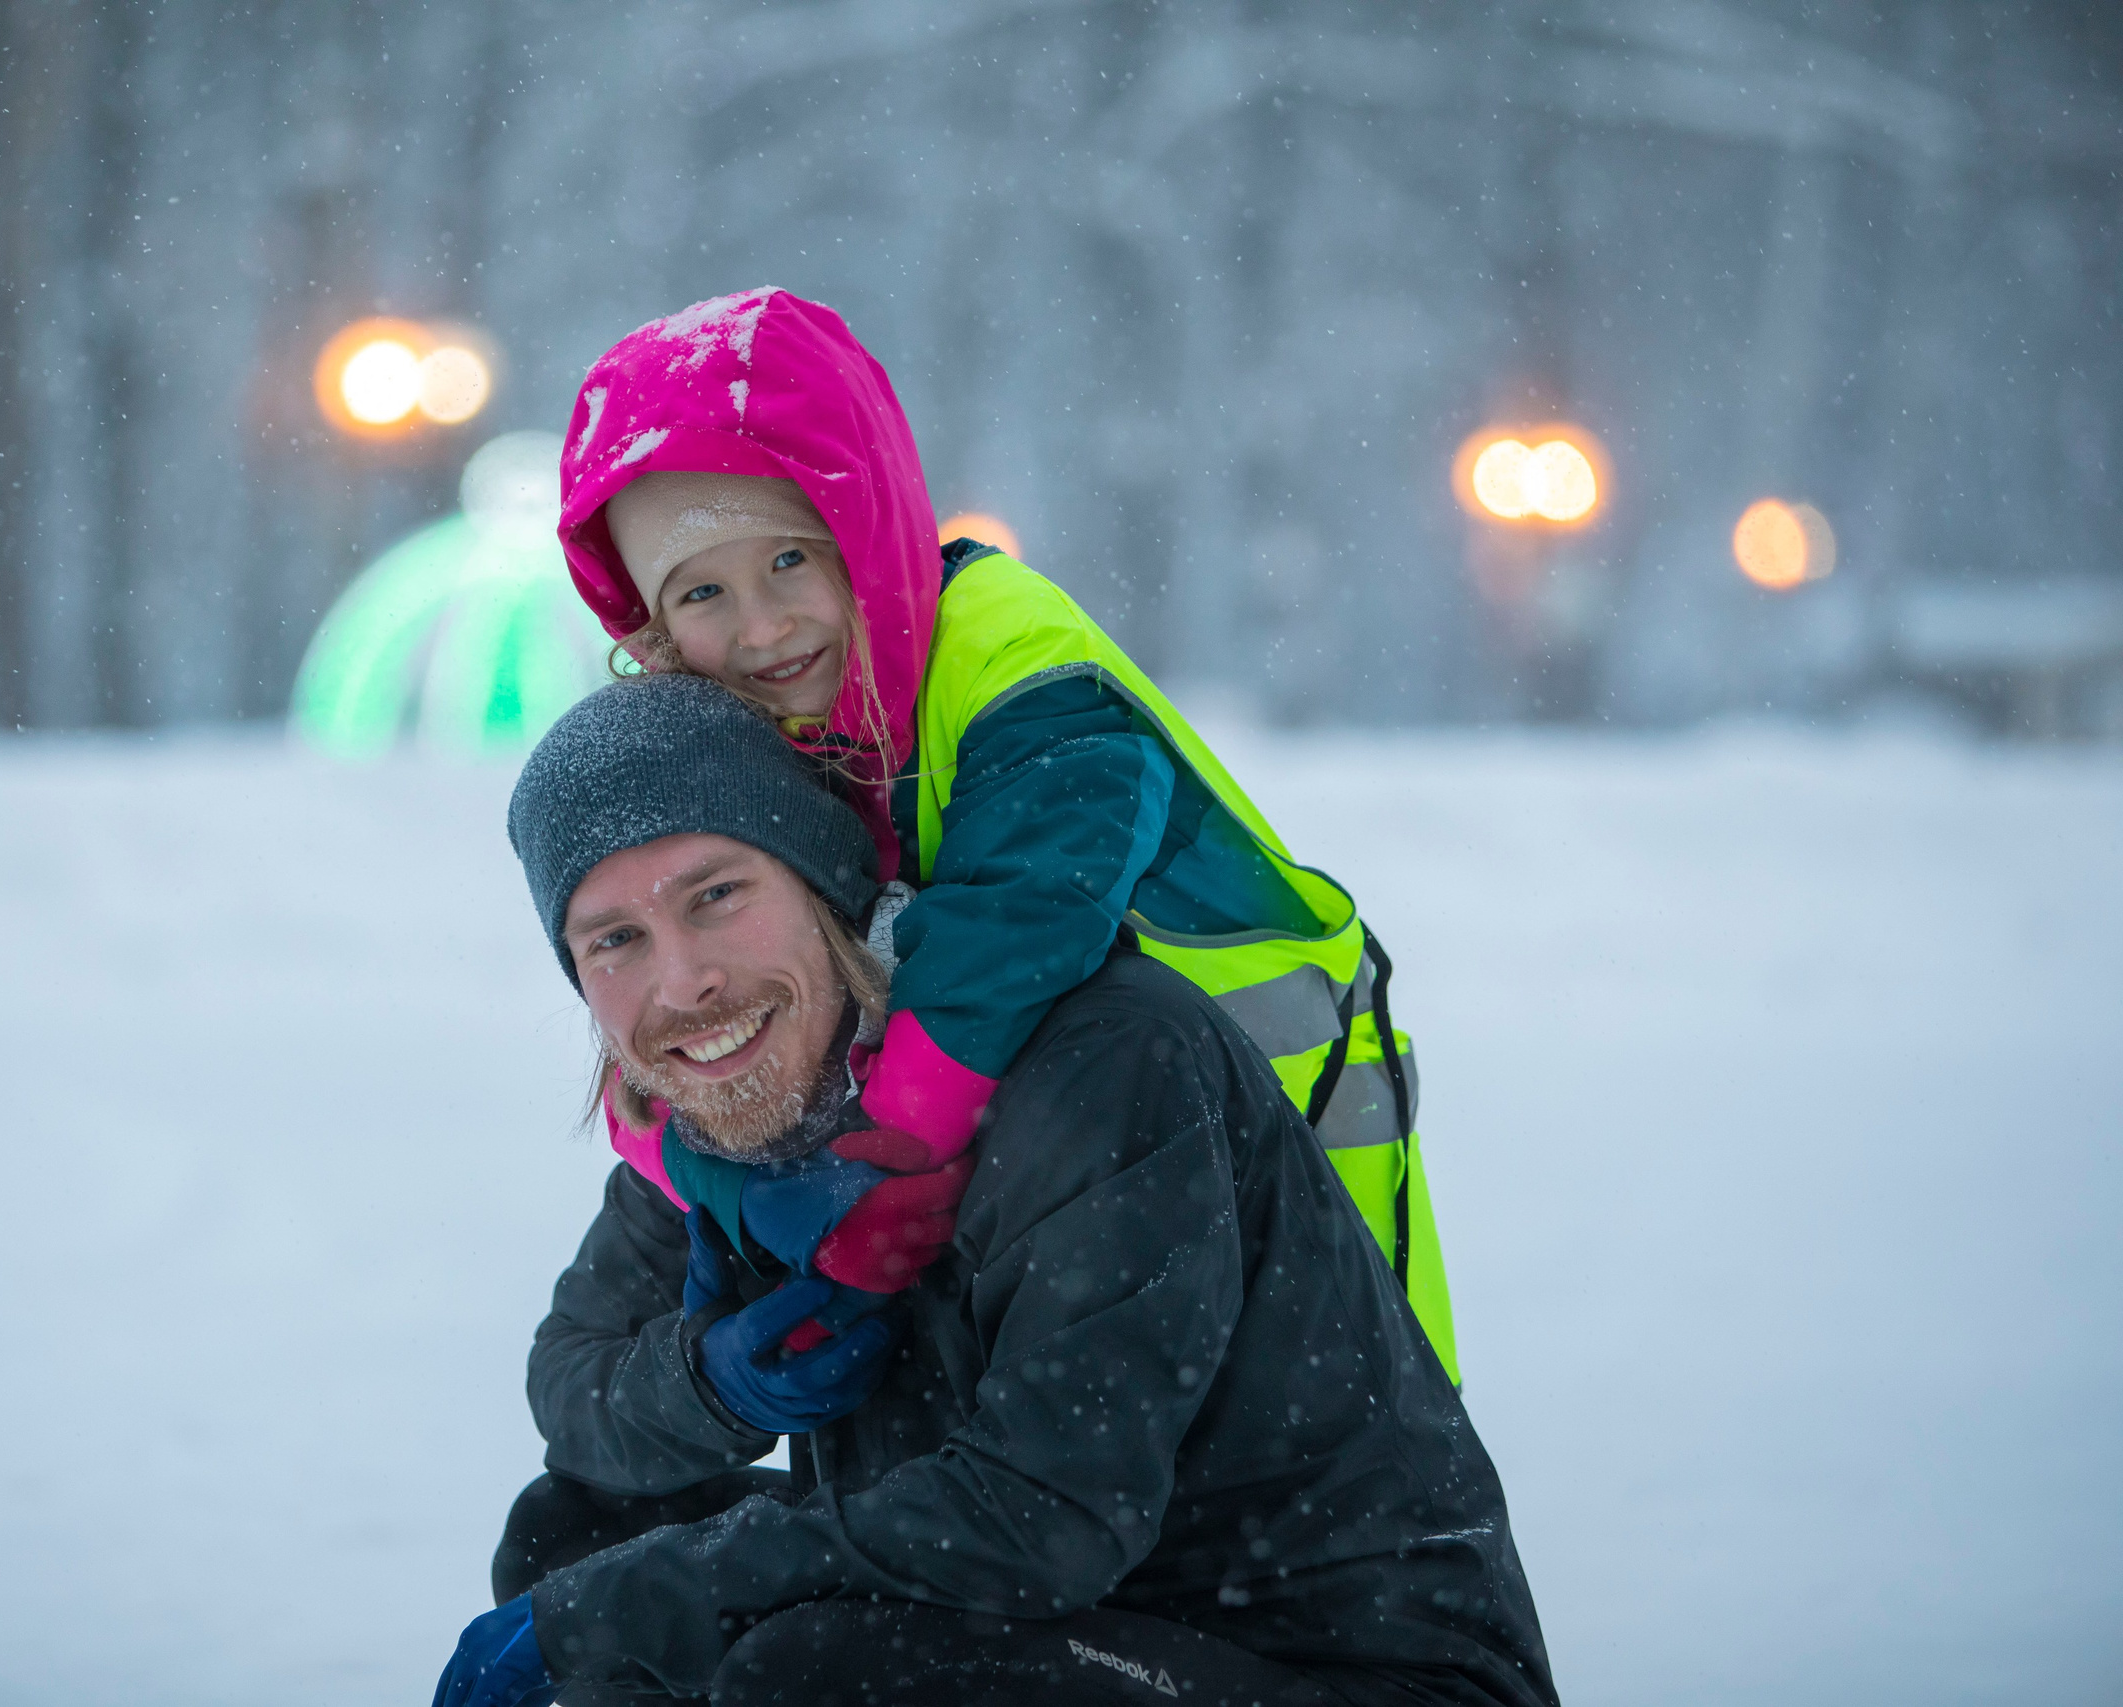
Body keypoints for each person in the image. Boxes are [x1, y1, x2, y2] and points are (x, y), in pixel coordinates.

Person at [431, 673, 1557, 1707]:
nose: (684, 981)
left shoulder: (1102, 1057)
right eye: (615, 939)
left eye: (717, 895)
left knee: (797, 1664)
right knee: (577, 1534)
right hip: (1057, 1624)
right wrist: (714, 1386)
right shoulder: (734, 1116)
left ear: (821, 882)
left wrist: (644, 1604)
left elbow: (1047, 1515)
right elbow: (573, 1381)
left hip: (1329, 1666)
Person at [554, 288, 1460, 1381]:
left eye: (791, 558)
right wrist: (748, 1192)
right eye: (703, 591)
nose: (762, 624)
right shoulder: (765, 737)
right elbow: (661, 1052)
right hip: (1082, 1247)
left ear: (864, 531)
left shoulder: (1016, 664)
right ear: (654, 626)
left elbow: (1013, 931)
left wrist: (865, 1175)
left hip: (1292, 1218)